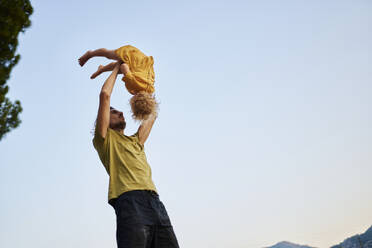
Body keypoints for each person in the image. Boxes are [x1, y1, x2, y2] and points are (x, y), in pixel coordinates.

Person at [91, 63, 180, 248]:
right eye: (113, 112)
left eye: (119, 111)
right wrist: (117, 67)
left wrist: (141, 87)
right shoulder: (104, 141)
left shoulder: (136, 141)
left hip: (155, 202)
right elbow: (105, 96)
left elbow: (152, 114)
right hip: (130, 202)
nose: (120, 113)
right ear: (105, 121)